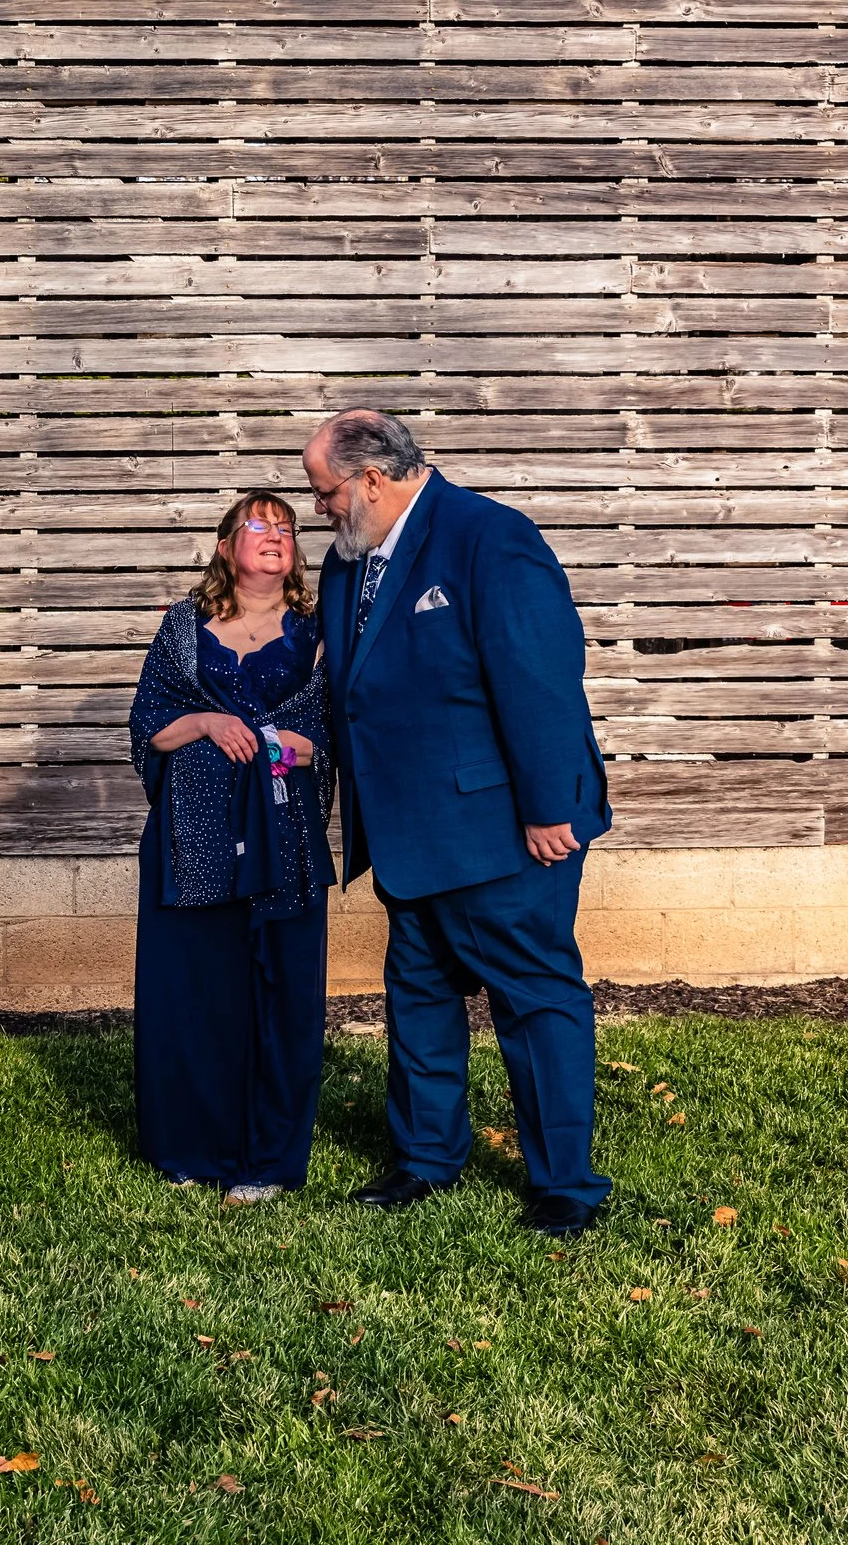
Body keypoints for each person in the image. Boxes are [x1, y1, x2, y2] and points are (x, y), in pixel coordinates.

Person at [303, 409, 613, 1239]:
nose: (320, 508)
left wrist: (550, 806)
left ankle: (564, 1185)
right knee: (420, 1000)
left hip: (504, 829)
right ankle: (425, 1158)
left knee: (535, 1003)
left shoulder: (488, 537)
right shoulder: (349, 564)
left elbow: (539, 676)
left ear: (372, 477)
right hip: (408, 835)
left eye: (325, 490)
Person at [127, 491, 334, 1203]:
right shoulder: (182, 629)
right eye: (258, 522)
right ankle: (190, 1147)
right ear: (224, 546)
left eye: (286, 526)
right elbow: (149, 723)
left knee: (281, 994)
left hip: (286, 836)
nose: (275, 533)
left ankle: (268, 1158)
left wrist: (306, 748)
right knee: (194, 992)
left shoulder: (321, 631)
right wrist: (209, 722)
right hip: (195, 838)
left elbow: (341, 729)